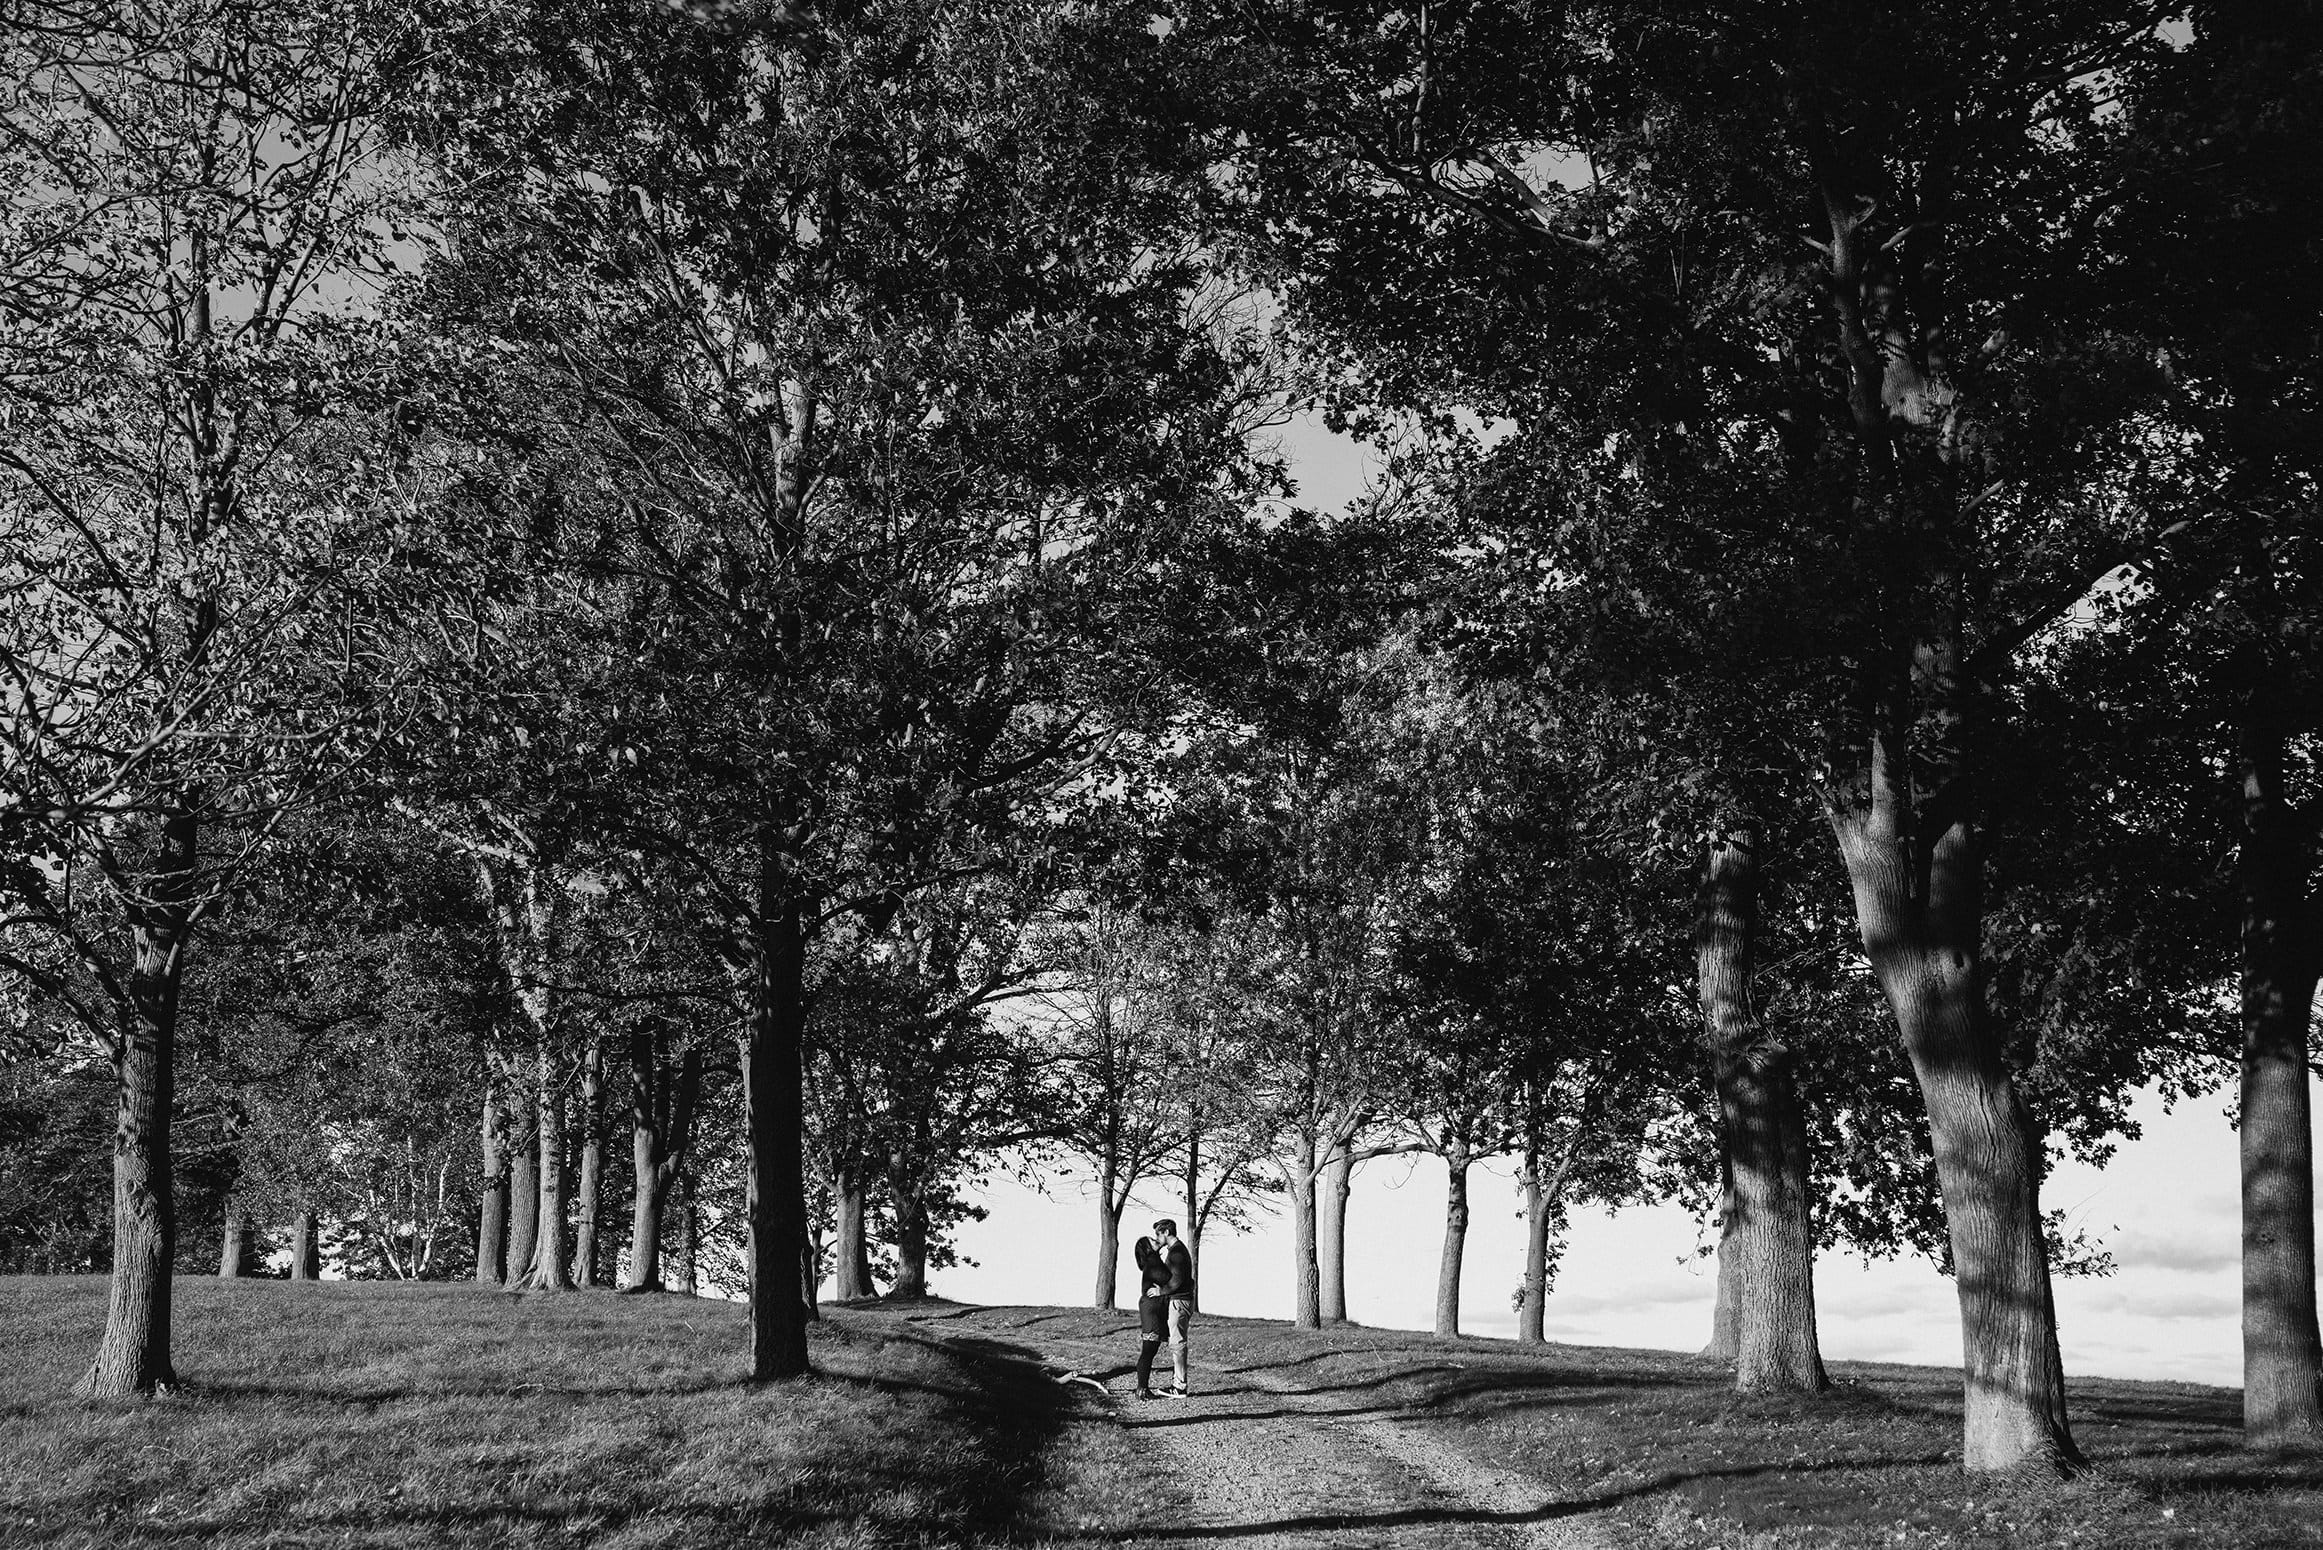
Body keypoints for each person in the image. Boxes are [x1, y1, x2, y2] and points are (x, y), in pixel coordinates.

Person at [1052, 1235, 1169, 1398]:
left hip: (1153, 1308)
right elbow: (1168, 1279)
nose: (1157, 1241)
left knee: (1151, 1348)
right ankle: (1142, 1389)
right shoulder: (1153, 1262)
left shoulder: (1153, 1261)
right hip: (1152, 1309)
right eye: (1153, 1241)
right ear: (1147, 1249)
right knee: (1149, 1349)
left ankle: (1142, 1388)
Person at [1152, 1218, 1194, 1397]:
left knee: (1177, 1343)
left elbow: (1176, 1281)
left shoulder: (1176, 1252)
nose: (1157, 1238)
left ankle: (1179, 1386)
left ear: (1166, 1232)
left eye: (1158, 1234)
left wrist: (1160, 1291)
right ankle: (1178, 1383)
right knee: (1177, 1341)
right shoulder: (1178, 1250)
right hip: (1182, 1301)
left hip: (1178, 1302)